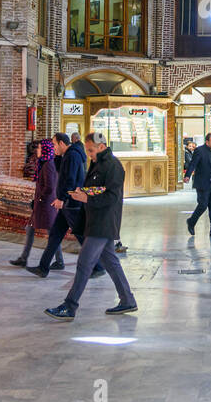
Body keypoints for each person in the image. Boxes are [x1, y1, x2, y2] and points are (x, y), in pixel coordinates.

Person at [44, 132, 137, 320]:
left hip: (103, 223)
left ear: (102, 147)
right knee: (111, 262)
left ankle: (69, 306)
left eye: (91, 150)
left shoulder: (113, 166)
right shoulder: (98, 163)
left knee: (84, 263)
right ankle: (127, 300)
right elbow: (96, 189)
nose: (89, 154)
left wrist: (87, 198)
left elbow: (112, 197)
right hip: (95, 219)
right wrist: (82, 193)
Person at [27, 133, 104, 278]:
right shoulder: (66, 156)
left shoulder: (72, 156)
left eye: (55, 145)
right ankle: (43, 268)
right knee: (55, 235)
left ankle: (98, 267)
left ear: (62, 143)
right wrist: (56, 156)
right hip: (68, 202)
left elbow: (70, 179)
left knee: (81, 236)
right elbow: (61, 172)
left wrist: (62, 198)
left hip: (72, 202)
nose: (53, 147)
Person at [10, 138, 55, 268]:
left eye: (40, 148)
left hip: (45, 205)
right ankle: (24, 258)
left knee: (52, 233)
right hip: (40, 204)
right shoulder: (43, 164)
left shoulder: (48, 165)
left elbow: (50, 187)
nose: (37, 150)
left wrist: (40, 199)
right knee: (31, 228)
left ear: (45, 150)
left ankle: (59, 260)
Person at [186, 132, 211, 240]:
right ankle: (191, 221)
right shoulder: (199, 151)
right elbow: (192, 164)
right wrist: (187, 176)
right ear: (207, 142)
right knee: (203, 205)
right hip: (202, 183)